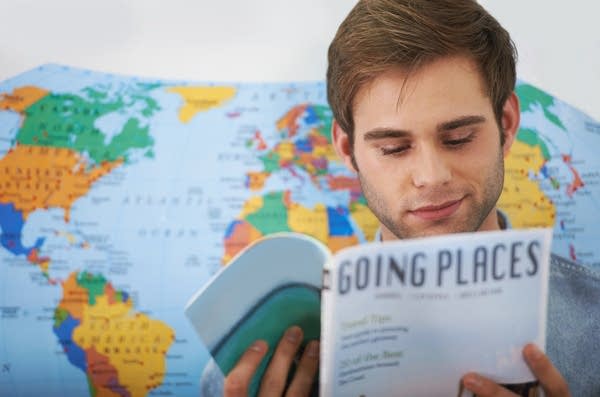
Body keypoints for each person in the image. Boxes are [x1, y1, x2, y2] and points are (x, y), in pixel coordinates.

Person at [222, 0, 600, 396]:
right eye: (393, 148)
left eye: (458, 139)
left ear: (506, 125)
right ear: (347, 149)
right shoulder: (254, 368)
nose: (431, 176)